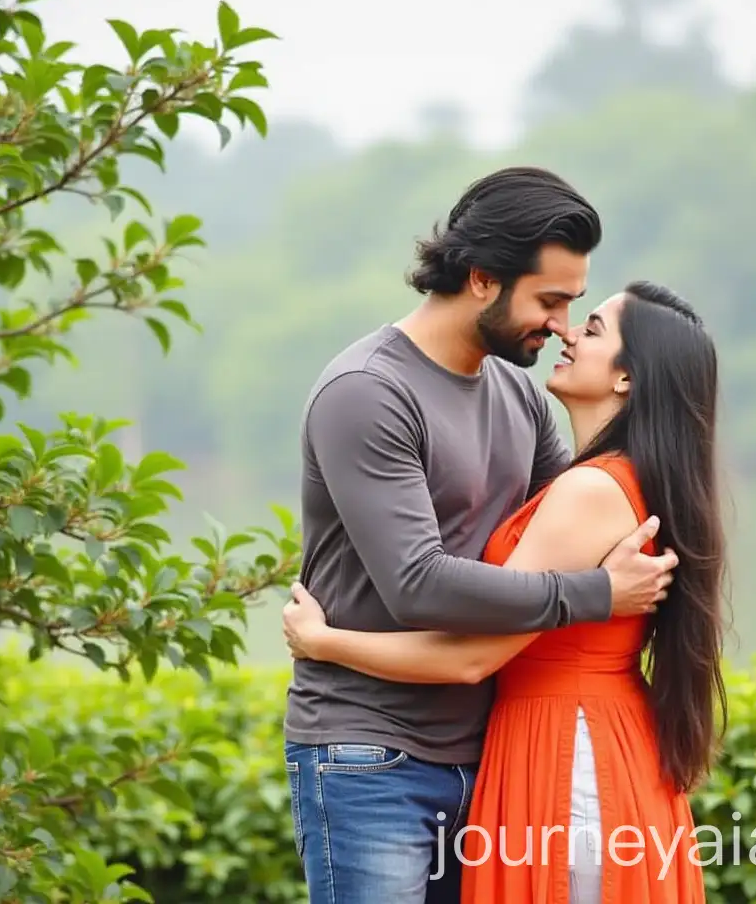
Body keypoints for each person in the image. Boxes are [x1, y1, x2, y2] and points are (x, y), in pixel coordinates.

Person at [282, 167, 680, 904]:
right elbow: (417, 585)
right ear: (482, 279)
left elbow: (568, 517)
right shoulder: (369, 392)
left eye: (575, 306)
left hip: (490, 756)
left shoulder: (515, 397)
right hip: (370, 755)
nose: (562, 323)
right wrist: (597, 594)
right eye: (551, 300)